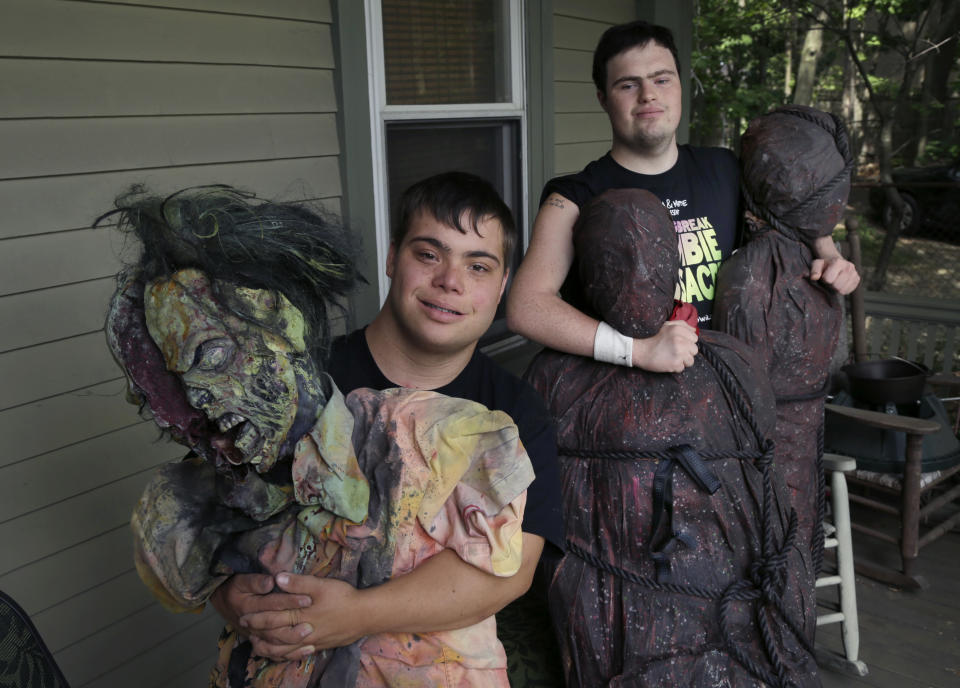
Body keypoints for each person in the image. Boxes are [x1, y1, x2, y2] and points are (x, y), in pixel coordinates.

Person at [103, 181, 553, 686]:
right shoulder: (290, 378)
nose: (450, 280)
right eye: (429, 254)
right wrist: (231, 594)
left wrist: (359, 614)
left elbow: (511, 572)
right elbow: (214, 515)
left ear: (502, 283)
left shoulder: (514, 411)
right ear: (392, 258)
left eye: (478, 266)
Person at [524, 187, 818, 687]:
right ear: (588, 271)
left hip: (722, 583)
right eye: (616, 259)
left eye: (653, 255)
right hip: (614, 591)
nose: (638, 272)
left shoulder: (731, 365)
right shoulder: (556, 379)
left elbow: (765, 486)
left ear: (674, 263)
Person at [506, 19, 860, 373]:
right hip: (626, 399)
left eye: (662, 79)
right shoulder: (573, 197)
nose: (648, 95)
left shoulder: (725, 169)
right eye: (628, 85)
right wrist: (636, 351)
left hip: (727, 386)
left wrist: (828, 255)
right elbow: (526, 308)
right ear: (603, 99)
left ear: (680, 86)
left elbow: (790, 213)